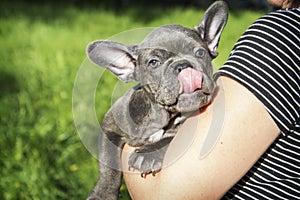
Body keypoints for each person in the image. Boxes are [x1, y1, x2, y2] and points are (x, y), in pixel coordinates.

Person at [121, 0, 300, 199]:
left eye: (197, 53)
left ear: (210, 45)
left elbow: (163, 196)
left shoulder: (285, 38)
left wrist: (135, 119)